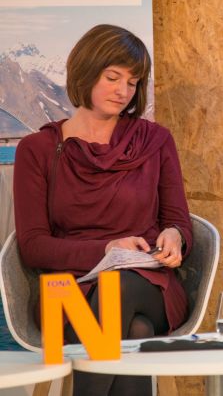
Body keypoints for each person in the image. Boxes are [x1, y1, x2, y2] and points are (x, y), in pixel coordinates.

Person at [13, 24, 192, 396]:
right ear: (86, 71)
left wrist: (175, 236)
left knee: (119, 287)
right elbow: (32, 245)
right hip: (66, 289)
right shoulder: (38, 149)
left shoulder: (155, 140)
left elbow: (177, 221)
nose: (123, 91)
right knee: (136, 330)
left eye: (132, 82)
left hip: (145, 283)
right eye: (113, 77)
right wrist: (107, 249)